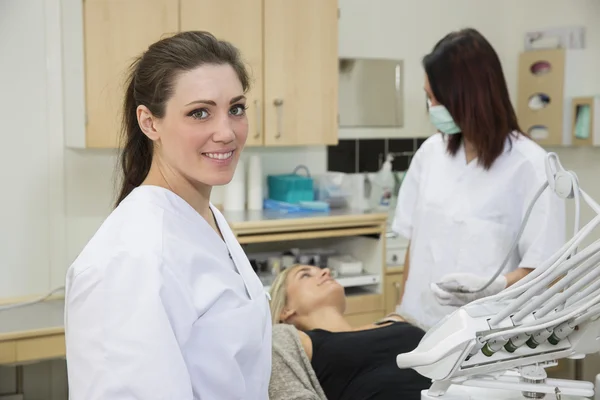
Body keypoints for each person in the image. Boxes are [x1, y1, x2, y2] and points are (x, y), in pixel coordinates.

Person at [64, 31, 271, 399]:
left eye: (236, 108)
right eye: (200, 113)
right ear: (150, 122)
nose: (226, 132)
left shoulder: (206, 219)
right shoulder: (130, 258)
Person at [392, 28, 566, 331]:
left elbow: (549, 274)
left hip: (485, 338)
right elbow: (414, 247)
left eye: (436, 99)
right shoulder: (431, 153)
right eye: (428, 97)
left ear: (467, 98)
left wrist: (495, 285)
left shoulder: (532, 167)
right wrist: (400, 313)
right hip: (416, 325)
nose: (431, 108)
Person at [268, 264, 431, 400]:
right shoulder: (285, 339)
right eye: (305, 275)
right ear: (286, 310)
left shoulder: (397, 320)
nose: (326, 271)